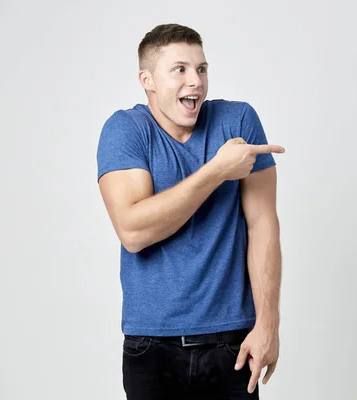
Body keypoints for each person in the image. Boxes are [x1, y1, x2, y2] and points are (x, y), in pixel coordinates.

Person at [96, 23, 284, 400]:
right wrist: (217, 170)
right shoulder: (126, 130)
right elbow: (133, 232)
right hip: (152, 347)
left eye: (201, 69)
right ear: (147, 80)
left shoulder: (238, 122)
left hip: (232, 343)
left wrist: (269, 324)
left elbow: (263, 225)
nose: (195, 81)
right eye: (179, 69)